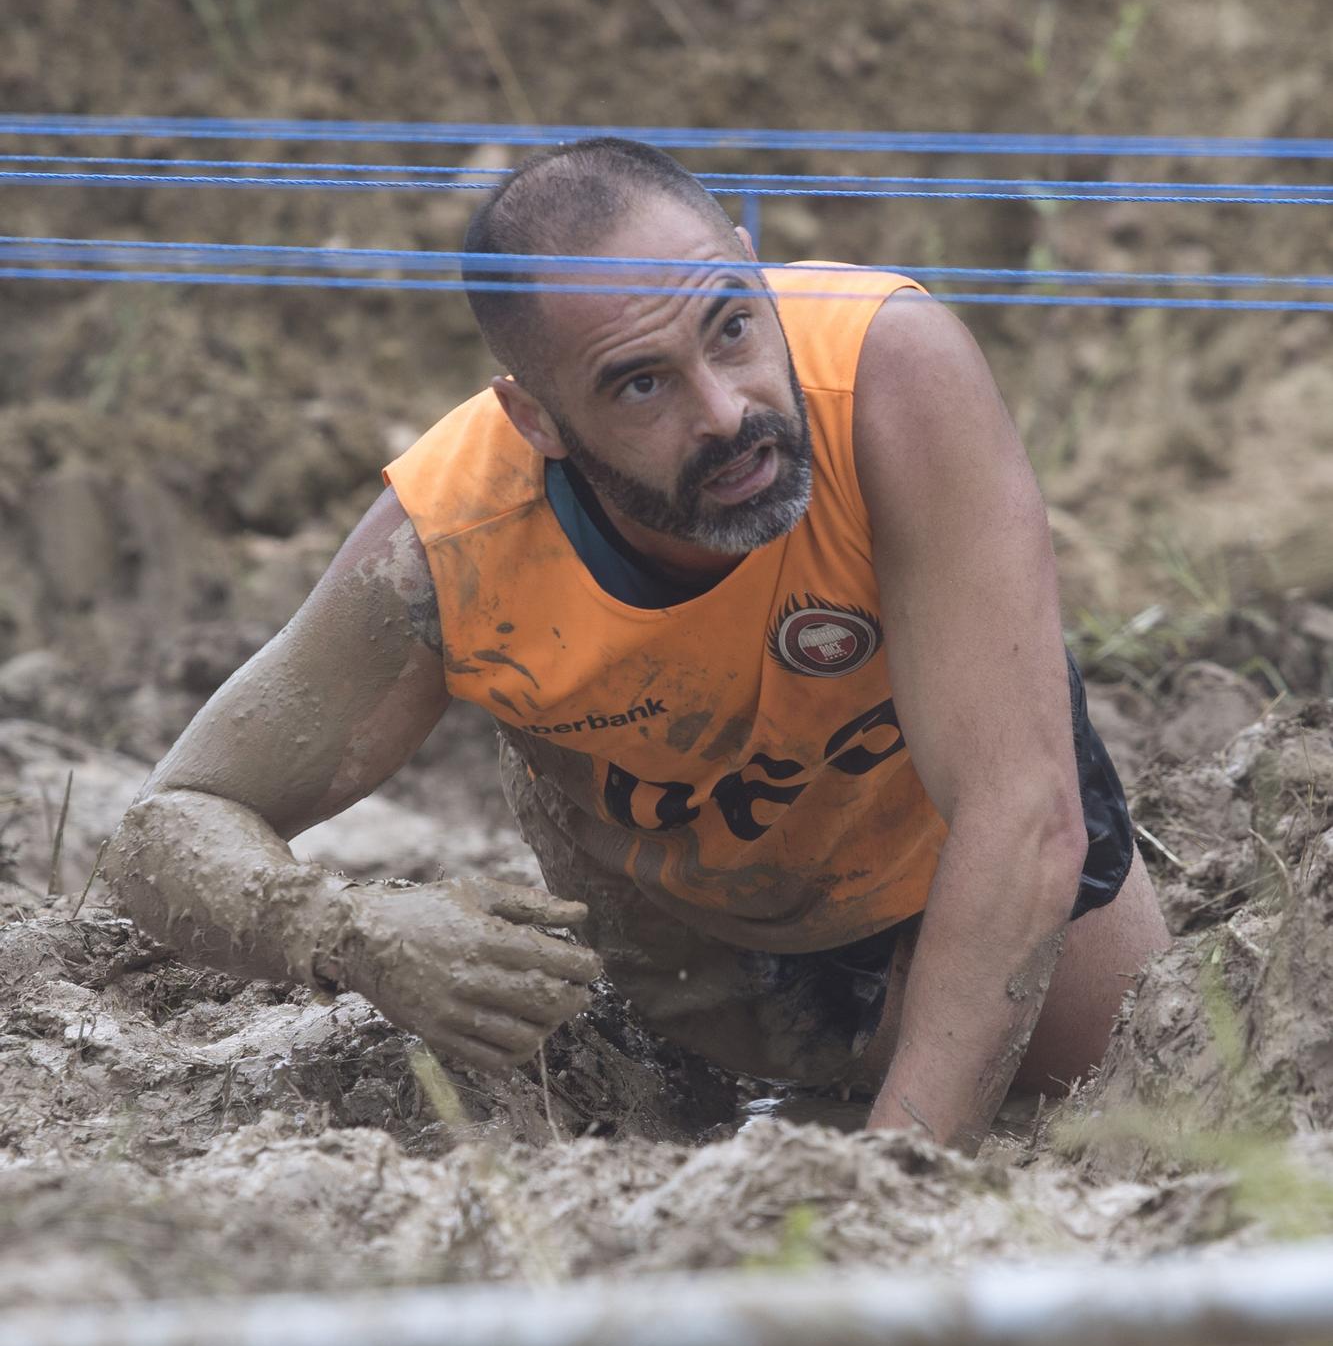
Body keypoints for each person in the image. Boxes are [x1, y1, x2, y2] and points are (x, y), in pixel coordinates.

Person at [108, 136, 1169, 1154]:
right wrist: (349, 932)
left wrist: (890, 1175)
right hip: (688, 927)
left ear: (755, 274)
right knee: (693, 1079)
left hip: (937, 847)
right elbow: (164, 829)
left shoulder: (888, 366)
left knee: (1101, 1049)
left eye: (731, 330)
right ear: (537, 419)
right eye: (640, 384)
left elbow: (1020, 810)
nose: (725, 411)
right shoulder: (449, 545)